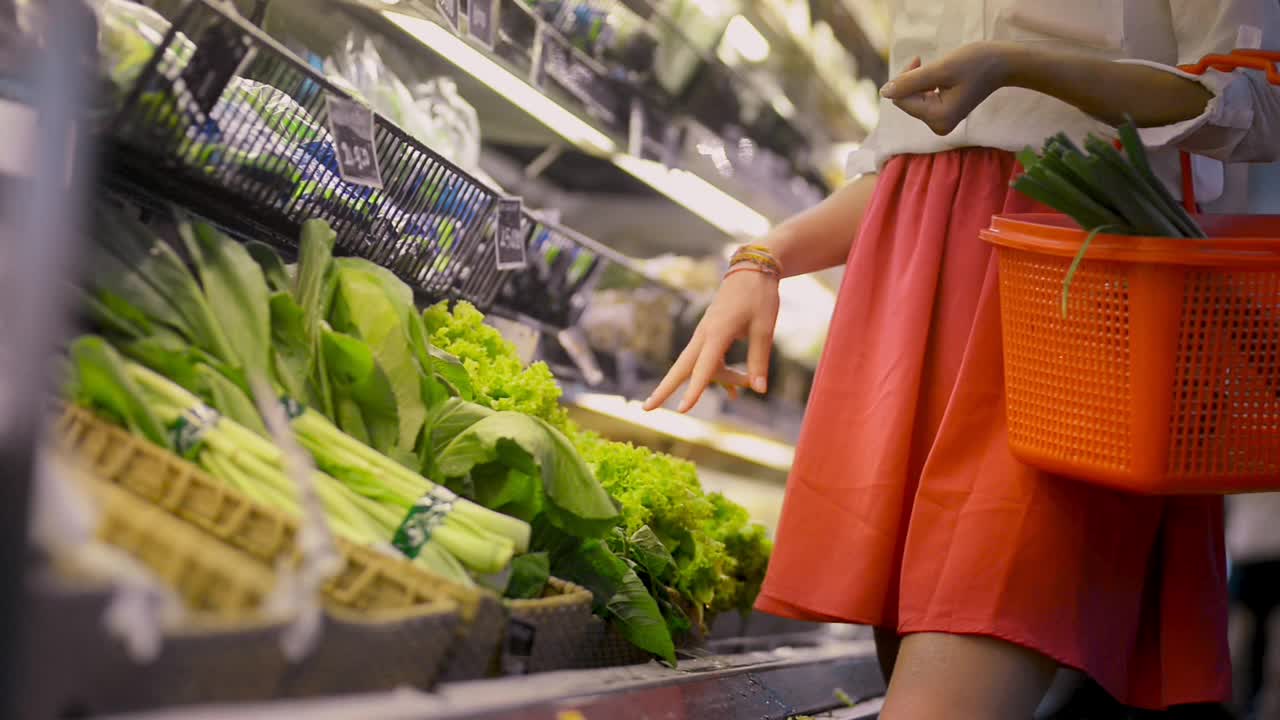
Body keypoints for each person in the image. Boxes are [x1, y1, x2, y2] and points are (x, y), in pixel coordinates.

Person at [643, 3, 1280, 718]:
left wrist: (1019, 65)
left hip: (1073, 302)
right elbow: (908, 169)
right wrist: (763, 257)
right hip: (910, 303)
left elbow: (1256, 107)